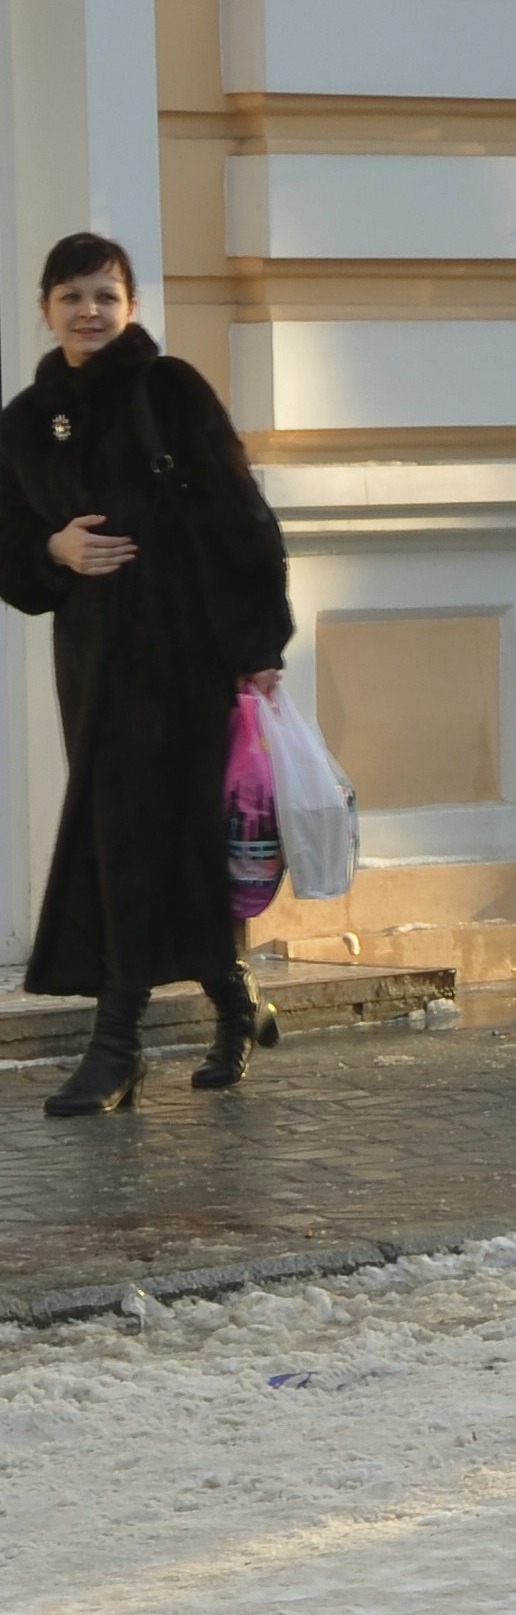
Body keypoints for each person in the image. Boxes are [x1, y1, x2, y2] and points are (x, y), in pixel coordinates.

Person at [0, 234, 293, 1116]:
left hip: (188, 660)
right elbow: (11, 546)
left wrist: (259, 646)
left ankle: (118, 1043)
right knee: (130, 837)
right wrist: (52, 549)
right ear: (45, 308)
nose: (90, 310)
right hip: (93, 662)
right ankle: (235, 1003)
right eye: (72, 296)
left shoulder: (169, 389)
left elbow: (243, 519)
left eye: (106, 294)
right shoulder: (24, 418)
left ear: (129, 303)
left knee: (163, 838)